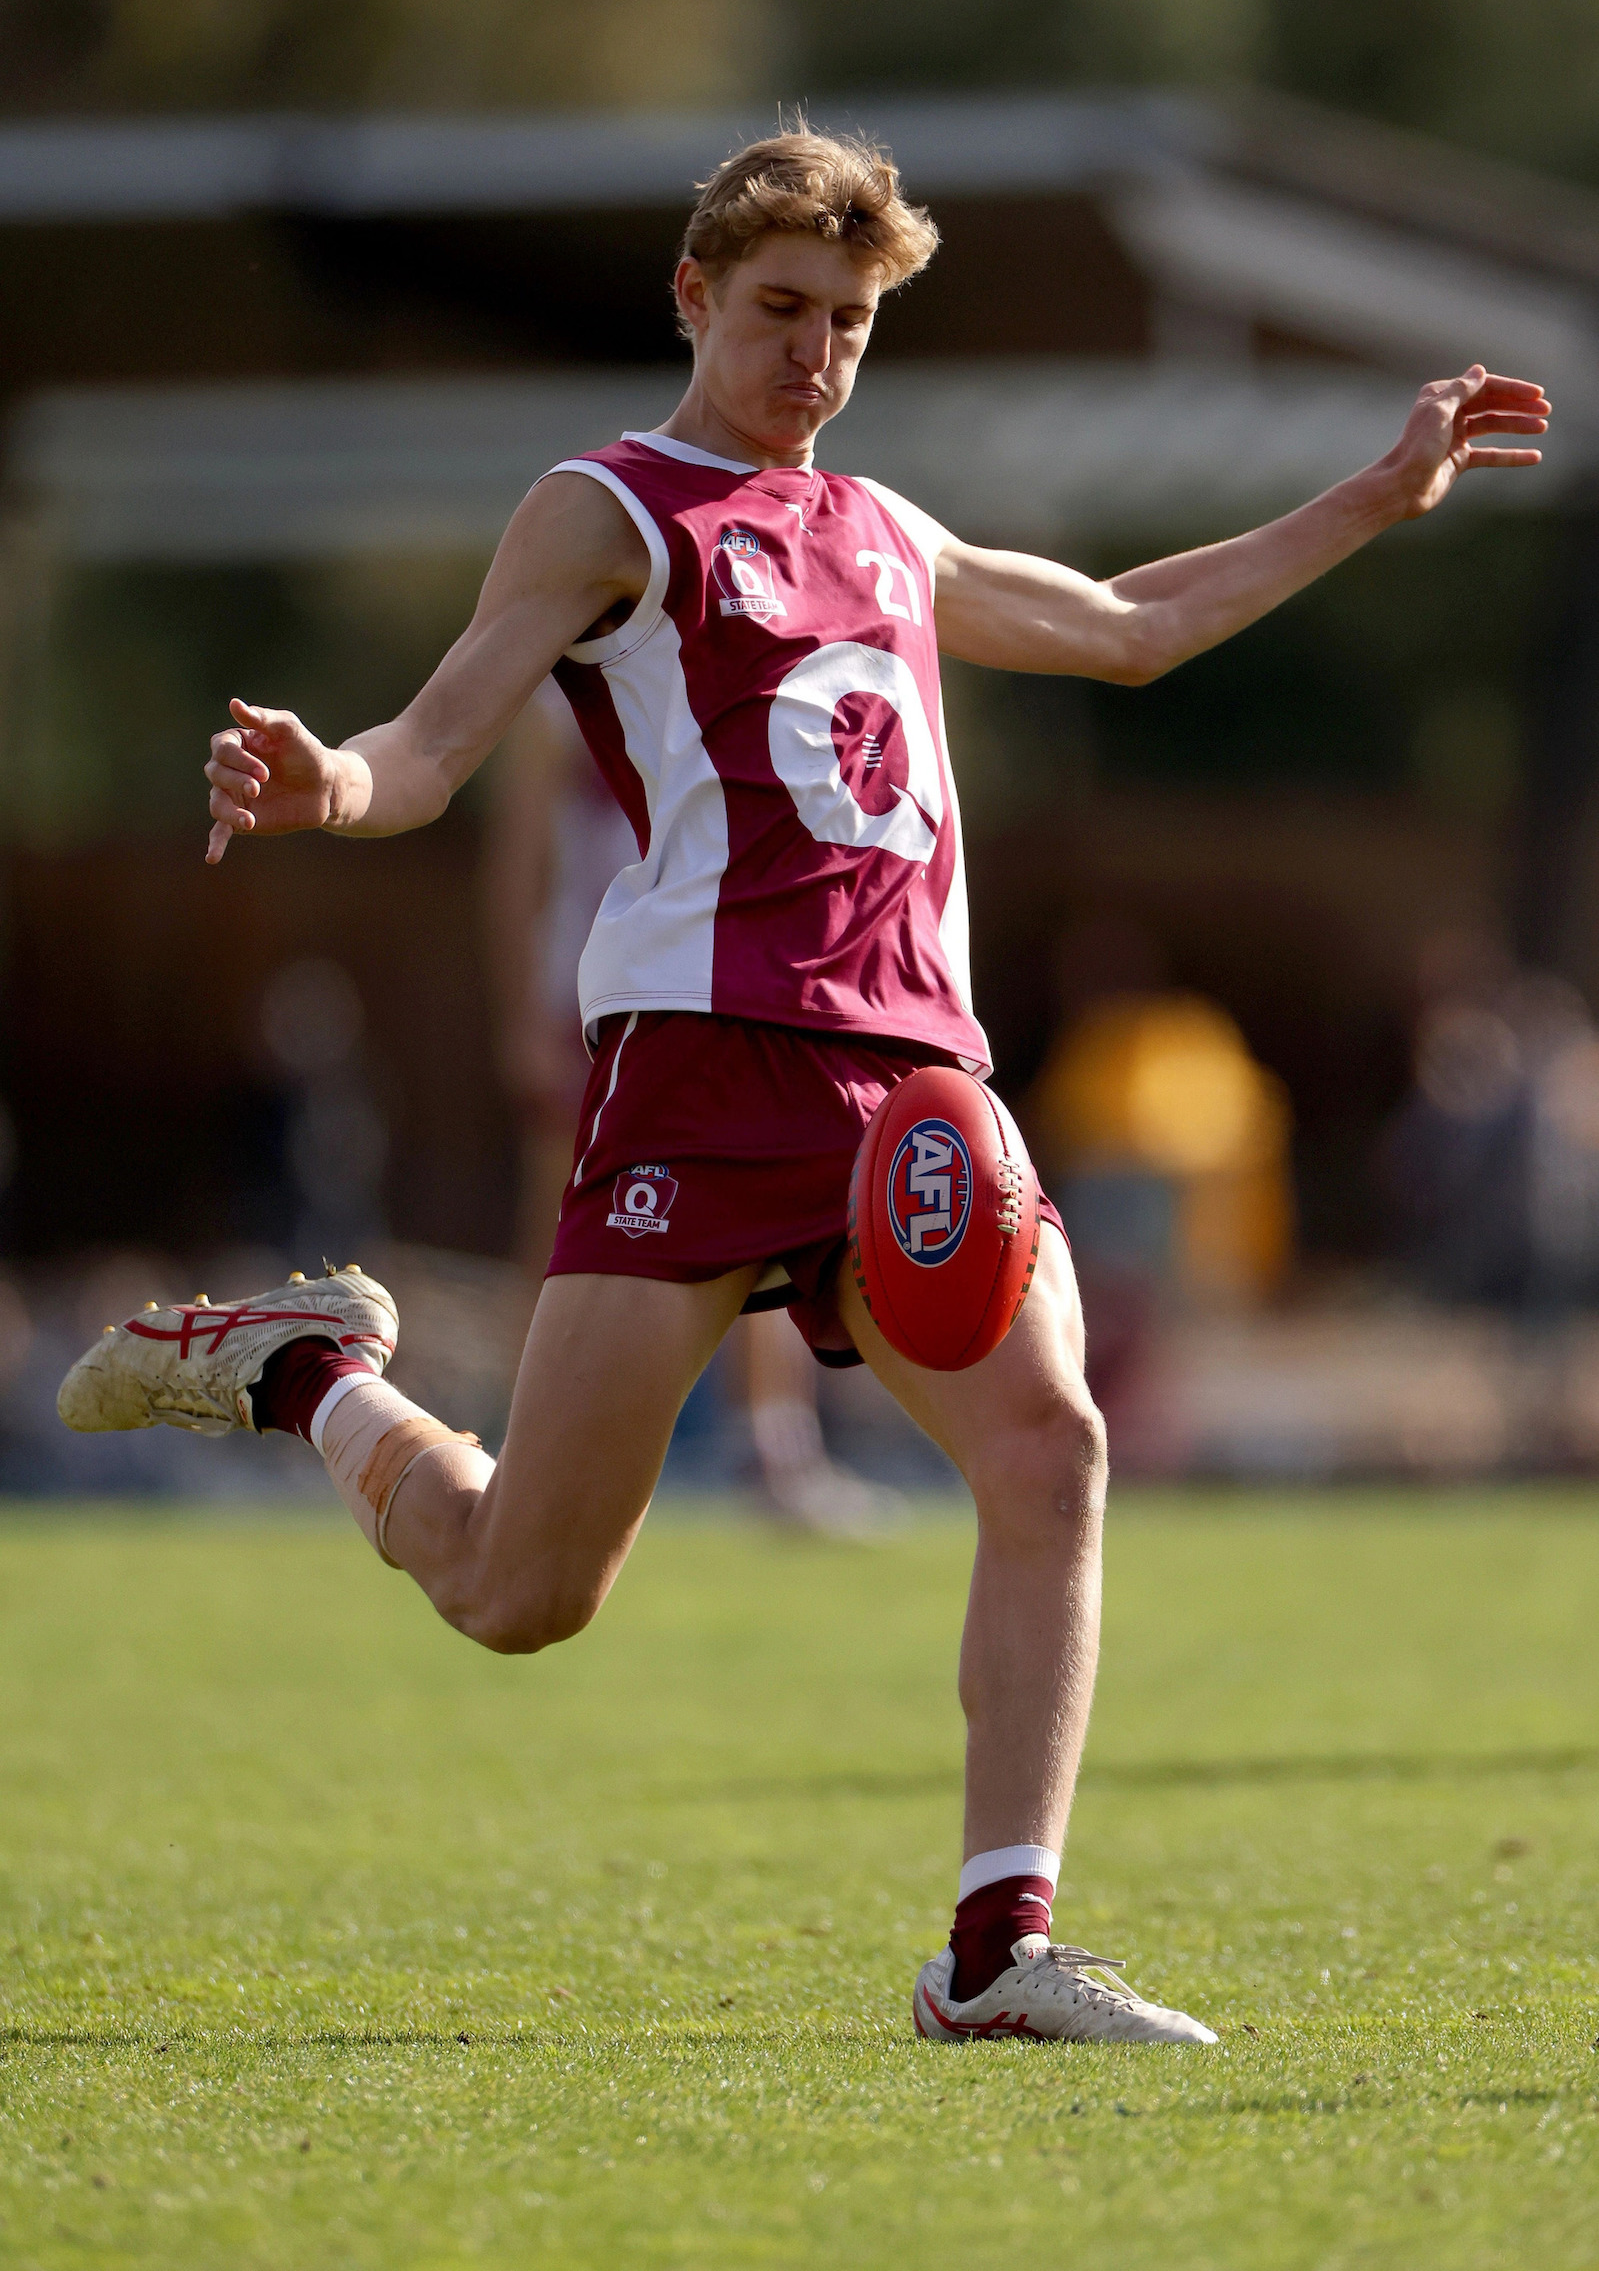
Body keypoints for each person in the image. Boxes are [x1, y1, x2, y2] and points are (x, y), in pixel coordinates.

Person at [61, 126, 1548, 2047]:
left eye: (848, 324)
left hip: (911, 1086)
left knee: (1052, 1449)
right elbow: (429, 747)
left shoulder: (888, 534)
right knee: (522, 1595)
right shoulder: (606, 508)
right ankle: (306, 1373)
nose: (815, 356)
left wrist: (1371, 491)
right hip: (695, 1076)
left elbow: (1129, 628)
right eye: (779, 312)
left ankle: (993, 1952)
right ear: (691, 296)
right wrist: (323, 783)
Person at [481, 680, 905, 1534]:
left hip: (716, 986)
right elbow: (520, 859)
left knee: (765, 1209)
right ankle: (522, 1452)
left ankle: (775, 1448)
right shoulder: (558, 702)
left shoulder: (737, 667)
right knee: (557, 1226)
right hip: (599, 987)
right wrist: (521, 1008)